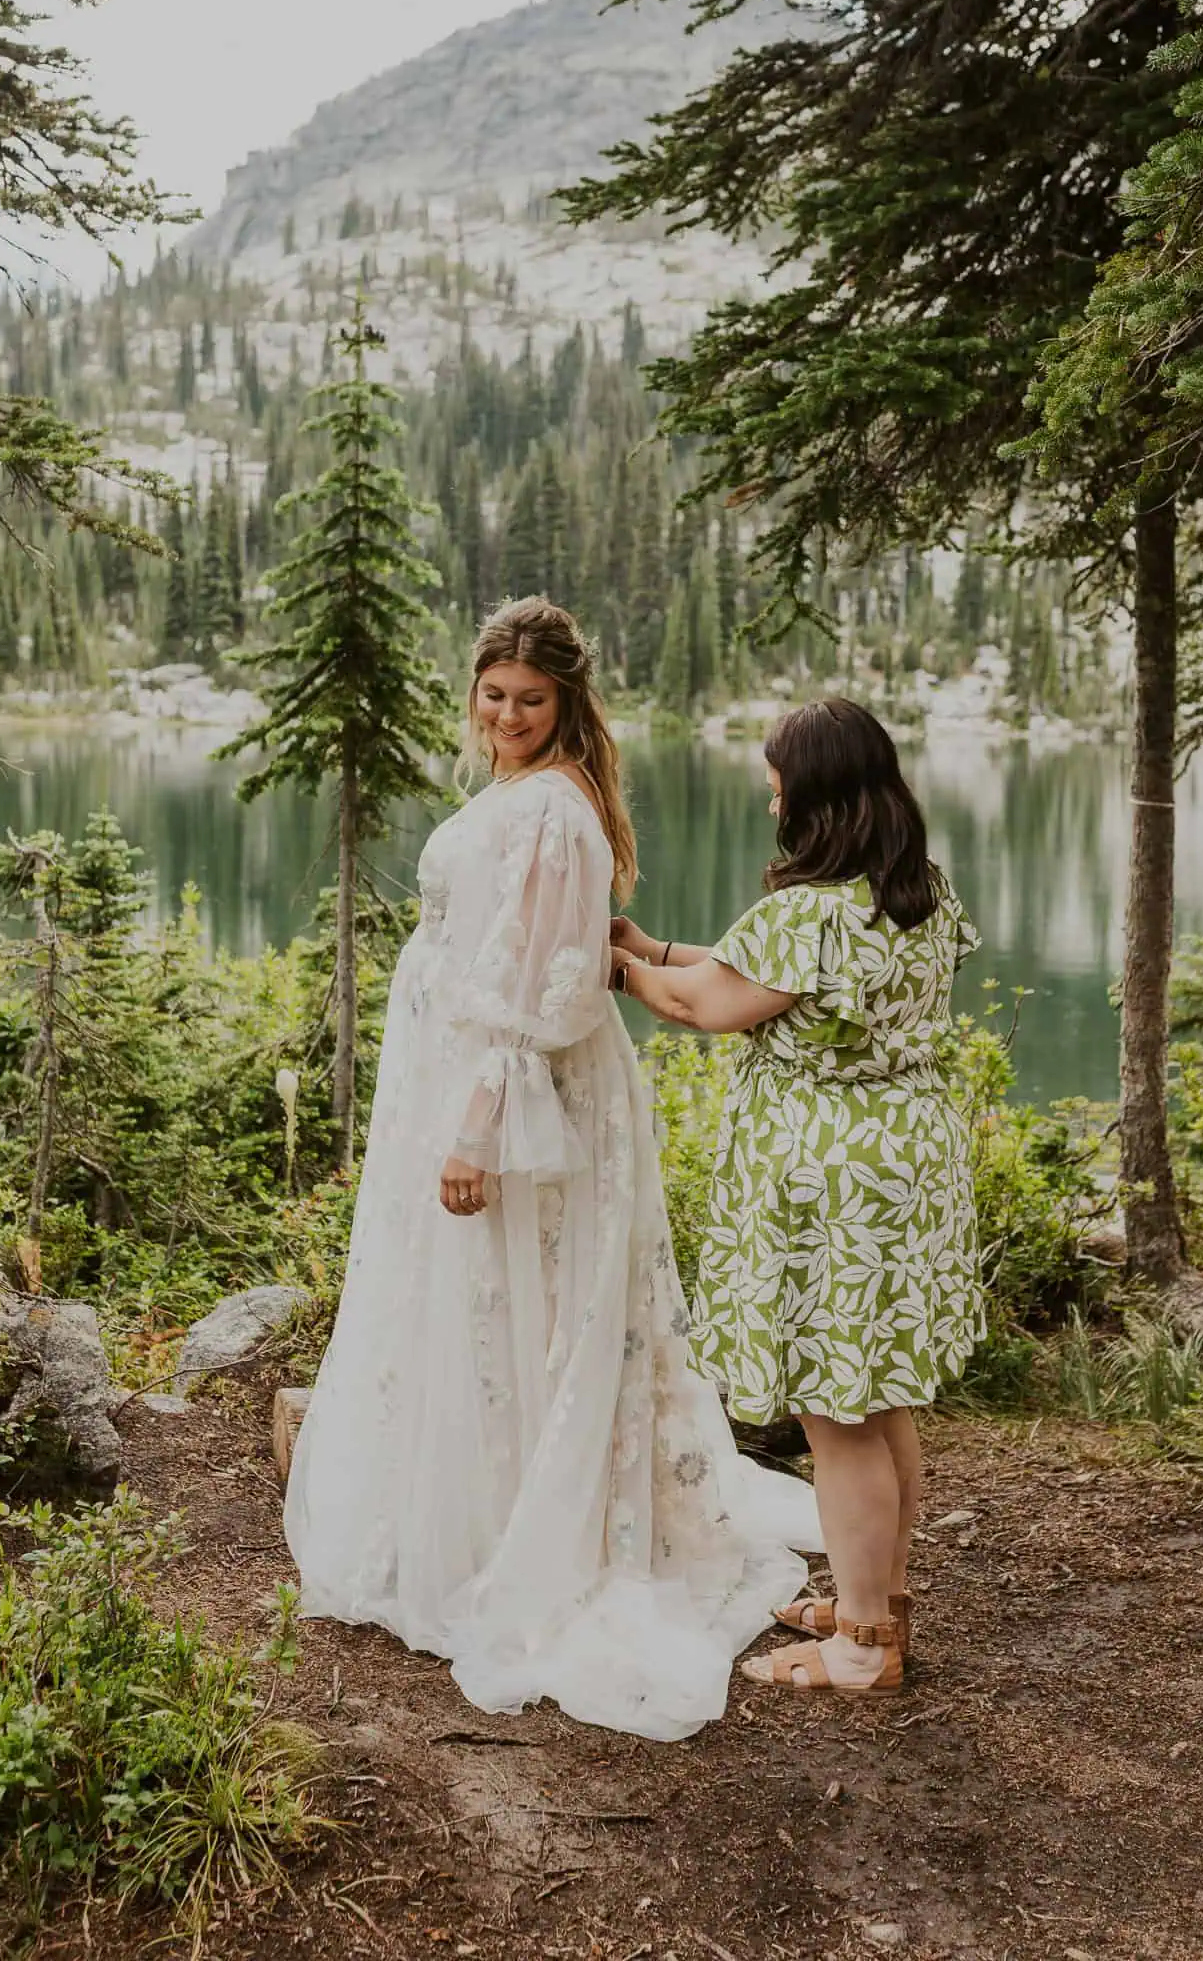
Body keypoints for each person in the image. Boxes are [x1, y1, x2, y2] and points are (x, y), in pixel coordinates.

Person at [284, 597, 820, 1742]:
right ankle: (474, 1511)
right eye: (494, 694)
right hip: (463, 1077)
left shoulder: (559, 813)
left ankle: (531, 1534)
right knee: (481, 1303)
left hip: (517, 1102)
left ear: (567, 701)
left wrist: (477, 1127)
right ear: (472, 688)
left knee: (522, 1297)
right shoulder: (513, 794)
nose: (510, 715)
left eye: (532, 700)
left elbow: (544, 987)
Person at [610, 697, 984, 1695]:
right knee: (878, 1396)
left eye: (776, 769)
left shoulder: (806, 910)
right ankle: (881, 1603)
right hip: (908, 1172)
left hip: (832, 1193)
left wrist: (614, 967)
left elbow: (710, 1003)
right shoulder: (916, 895)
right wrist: (655, 947)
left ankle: (861, 1646)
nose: (766, 785)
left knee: (838, 1415)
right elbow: (741, 973)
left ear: (811, 786)